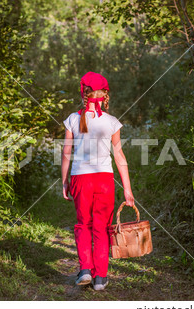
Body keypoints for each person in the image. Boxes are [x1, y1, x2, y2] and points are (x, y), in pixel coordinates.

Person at [61, 71, 134, 291]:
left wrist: (64, 181)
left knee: (83, 224)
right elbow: (120, 157)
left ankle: (85, 269)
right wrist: (128, 190)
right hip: (104, 179)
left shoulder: (73, 119)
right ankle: (100, 277)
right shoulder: (111, 122)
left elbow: (66, 153)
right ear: (104, 95)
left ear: (84, 92)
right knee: (102, 227)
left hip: (80, 178)